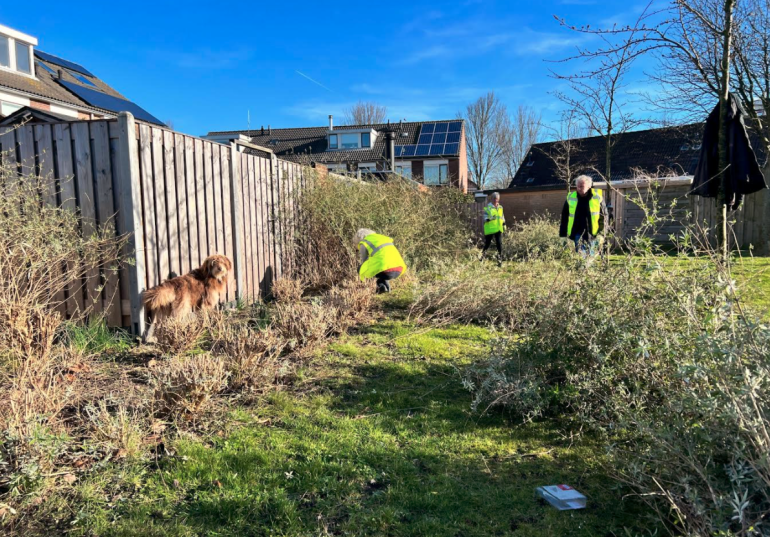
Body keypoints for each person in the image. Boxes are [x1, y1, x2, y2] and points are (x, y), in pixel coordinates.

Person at [559, 175, 608, 258]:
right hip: (577, 233)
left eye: (581, 186)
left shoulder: (597, 198)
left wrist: (602, 234)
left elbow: (604, 217)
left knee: (590, 258)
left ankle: (587, 270)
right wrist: (563, 235)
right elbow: (564, 217)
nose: (579, 188)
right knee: (582, 257)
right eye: (577, 186)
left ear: (589, 186)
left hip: (593, 234)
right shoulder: (571, 198)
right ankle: (584, 269)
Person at [354, 228, 407, 294]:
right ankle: (384, 287)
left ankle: (369, 289)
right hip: (399, 268)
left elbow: (364, 262)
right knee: (382, 268)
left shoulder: (364, 243)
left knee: (361, 268)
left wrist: (362, 280)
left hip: (385, 270)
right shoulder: (384, 238)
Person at [480, 192, 505, 266]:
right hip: (490, 229)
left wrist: (504, 223)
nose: (495, 200)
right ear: (492, 199)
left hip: (498, 228)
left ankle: (500, 261)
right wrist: (489, 219)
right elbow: (484, 217)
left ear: (498, 199)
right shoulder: (488, 207)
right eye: (494, 198)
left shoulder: (500, 207)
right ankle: (482, 258)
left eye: (497, 199)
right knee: (487, 244)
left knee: (499, 244)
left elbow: (502, 216)